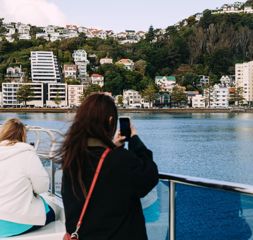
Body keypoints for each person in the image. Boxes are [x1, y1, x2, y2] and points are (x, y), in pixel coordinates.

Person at [60, 93, 159, 240]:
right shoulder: (120, 160)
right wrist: (135, 140)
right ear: (110, 121)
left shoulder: (72, 158)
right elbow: (149, 175)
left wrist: (111, 147)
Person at [0, 118, 55, 237]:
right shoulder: (27, 154)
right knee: (52, 212)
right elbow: (42, 187)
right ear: (23, 135)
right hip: (14, 223)